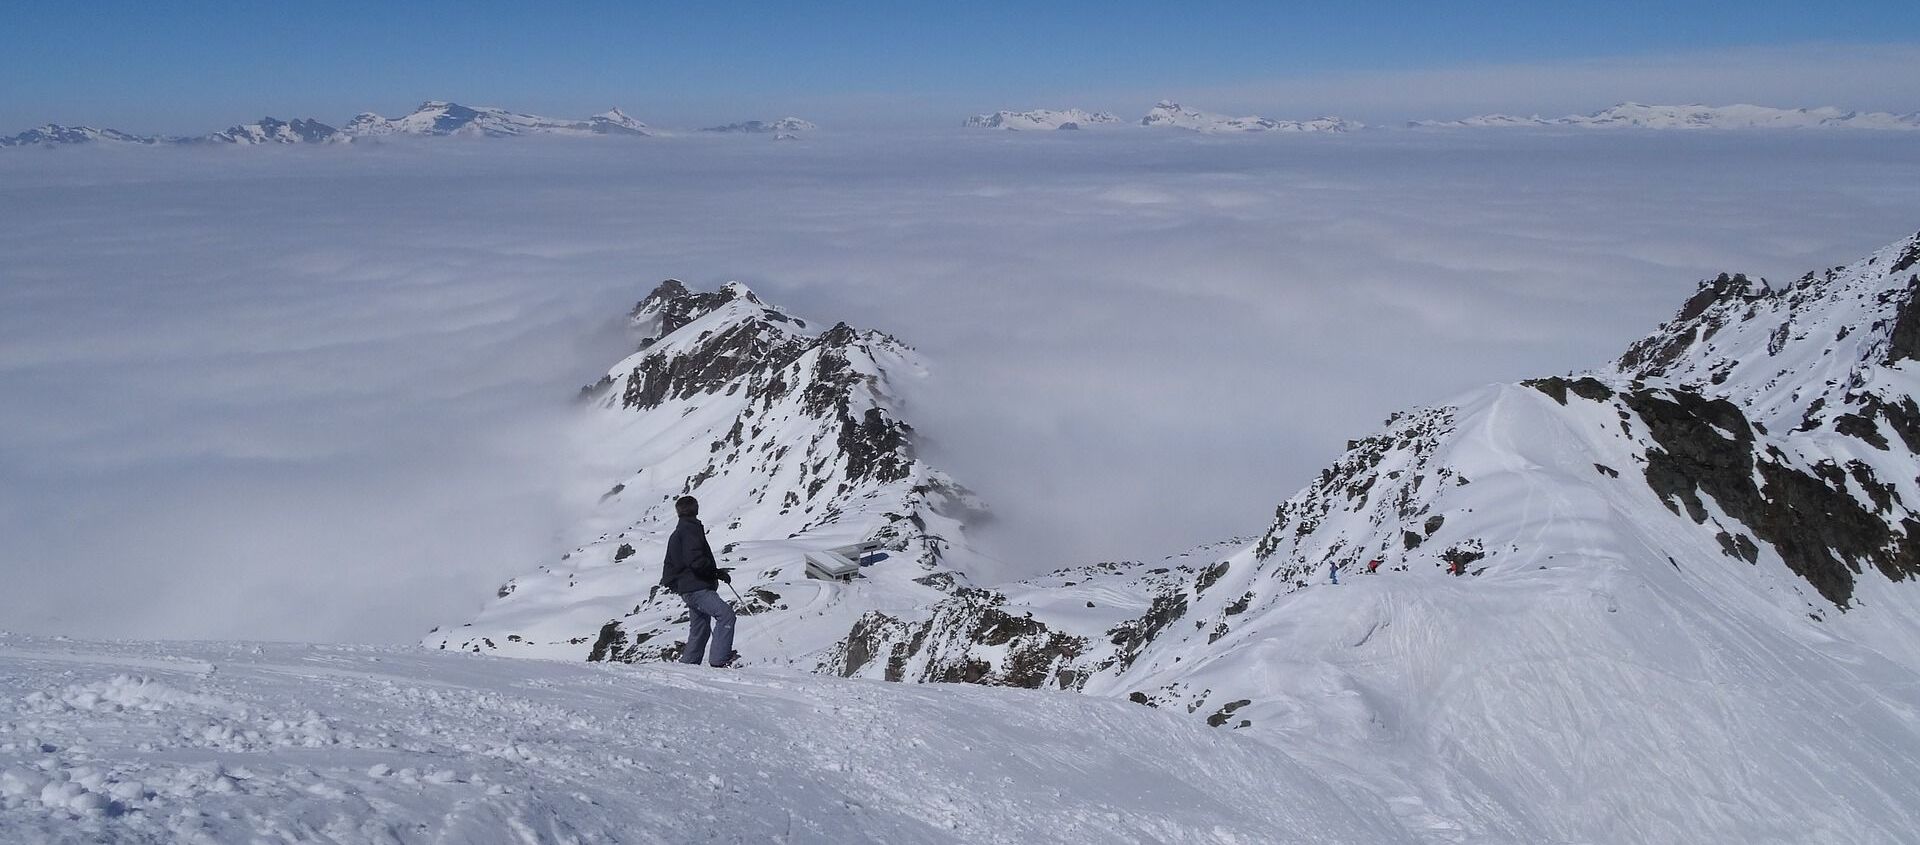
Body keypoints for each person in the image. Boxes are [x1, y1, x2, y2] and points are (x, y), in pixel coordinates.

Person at [659, 495, 738, 667]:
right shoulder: (690, 529)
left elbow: (671, 564)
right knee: (725, 615)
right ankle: (719, 660)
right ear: (695, 508)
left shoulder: (677, 533)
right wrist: (715, 572)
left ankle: (688, 665)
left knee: (700, 628)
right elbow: (694, 559)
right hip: (697, 586)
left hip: (687, 588)